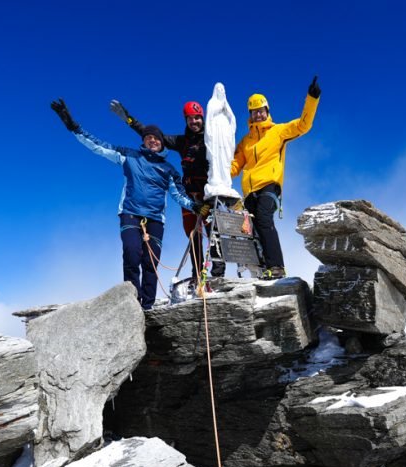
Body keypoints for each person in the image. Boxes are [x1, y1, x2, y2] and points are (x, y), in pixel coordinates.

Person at [50, 98, 209, 309]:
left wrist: (194, 206)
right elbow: (98, 147)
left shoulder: (169, 170)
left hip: (155, 220)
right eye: (148, 138)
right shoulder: (129, 156)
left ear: (163, 143)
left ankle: (147, 306)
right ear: (143, 141)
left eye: (156, 138)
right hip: (131, 214)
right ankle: (132, 304)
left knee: (151, 264)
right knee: (132, 255)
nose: (152, 140)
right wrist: (73, 127)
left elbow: (179, 195)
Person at [110, 98, 225, 284]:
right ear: (186, 120)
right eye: (190, 118)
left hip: (208, 192)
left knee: (213, 231)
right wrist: (129, 120)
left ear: (203, 118)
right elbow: (153, 135)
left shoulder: (211, 138)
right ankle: (197, 274)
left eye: (197, 118)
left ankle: (218, 273)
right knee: (193, 234)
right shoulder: (181, 141)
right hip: (188, 194)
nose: (194, 121)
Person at [231, 76, 320, 279]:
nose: (258, 114)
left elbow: (303, 125)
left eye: (261, 110)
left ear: (267, 111)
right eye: (254, 111)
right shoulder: (245, 142)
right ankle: (263, 268)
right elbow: (235, 166)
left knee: (263, 219)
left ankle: (277, 267)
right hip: (249, 192)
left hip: (269, 185)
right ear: (250, 115)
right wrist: (217, 172)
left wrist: (312, 98)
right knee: (250, 229)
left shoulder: (278, 131)